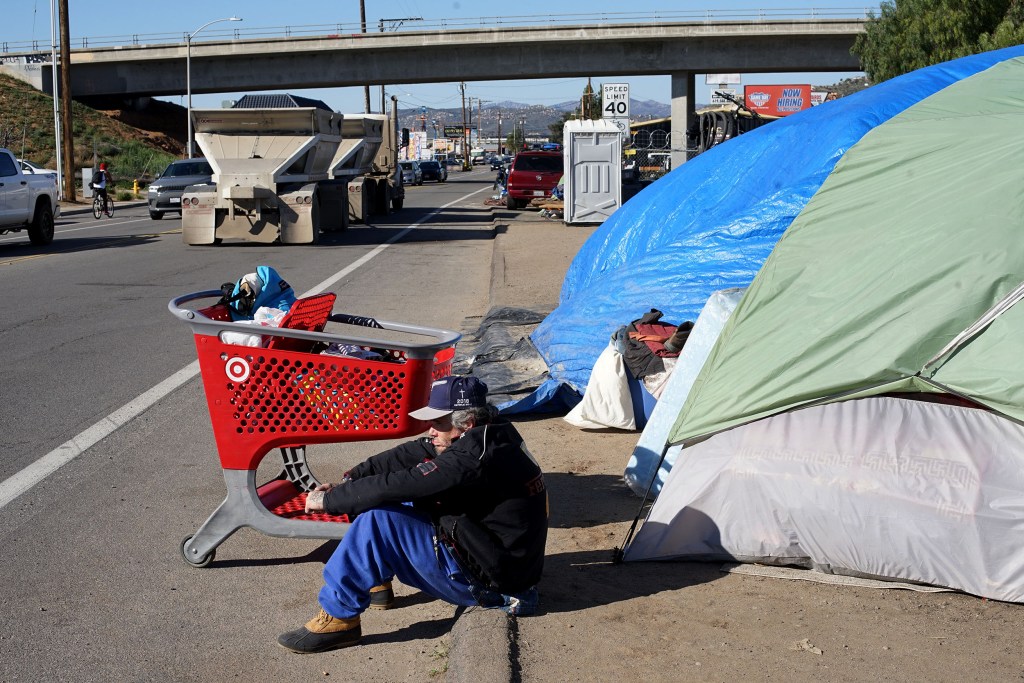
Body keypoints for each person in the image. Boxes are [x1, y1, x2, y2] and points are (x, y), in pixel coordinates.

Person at [278, 375, 549, 654]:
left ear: (466, 424)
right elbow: (413, 452)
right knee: (382, 498)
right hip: (500, 562)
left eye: (438, 423)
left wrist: (329, 500)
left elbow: (404, 482)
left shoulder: (472, 458)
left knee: (379, 519)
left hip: (495, 585)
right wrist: (351, 481)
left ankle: (339, 619)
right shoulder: (491, 433)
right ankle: (375, 582)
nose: (430, 430)